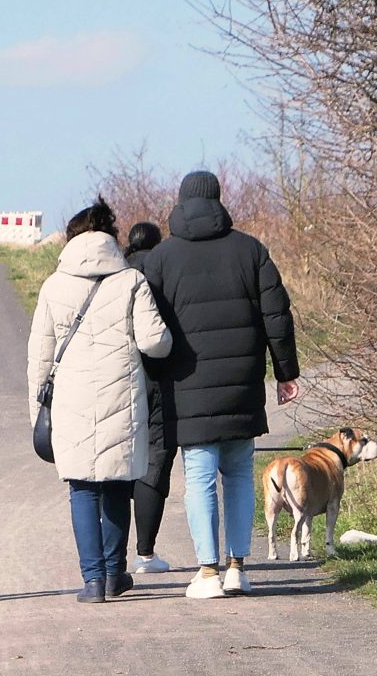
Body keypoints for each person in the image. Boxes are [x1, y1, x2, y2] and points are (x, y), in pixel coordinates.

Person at [143, 171, 300, 599]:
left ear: (179, 202)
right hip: (241, 385)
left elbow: (145, 325)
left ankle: (207, 571)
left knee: (198, 479)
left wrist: (149, 379)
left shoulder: (160, 258)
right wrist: (286, 373)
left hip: (186, 387)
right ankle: (237, 568)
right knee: (237, 476)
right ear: (218, 200)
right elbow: (277, 316)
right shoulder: (251, 250)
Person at [28, 197, 171, 603]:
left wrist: (36, 412)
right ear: (110, 238)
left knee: (82, 490)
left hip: (71, 402)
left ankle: (92, 581)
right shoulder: (131, 282)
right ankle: (113, 574)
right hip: (120, 398)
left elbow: (39, 356)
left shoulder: (54, 286)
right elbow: (154, 342)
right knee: (115, 486)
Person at [123, 221, 177, 574]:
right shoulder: (164, 270)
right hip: (160, 377)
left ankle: (111, 557)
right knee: (154, 461)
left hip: (118, 376)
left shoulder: (117, 273)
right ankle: (145, 554)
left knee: (117, 462)